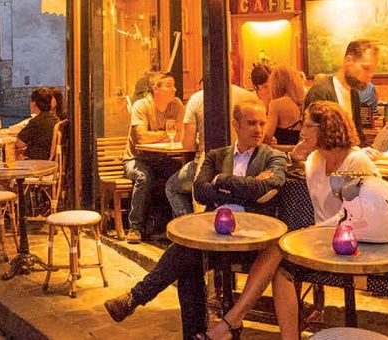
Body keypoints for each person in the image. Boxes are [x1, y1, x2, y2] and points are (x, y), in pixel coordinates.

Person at [104, 100, 287, 339]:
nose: (259, 129)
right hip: (213, 236)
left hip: (252, 242)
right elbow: (200, 190)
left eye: (262, 123)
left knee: (186, 258)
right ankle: (194, 334)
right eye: (251, 123)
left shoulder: (274, 157)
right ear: (236, 125)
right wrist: (249, 188)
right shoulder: (216, 155)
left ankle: (136, 298)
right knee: (187, 254)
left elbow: (270, 185)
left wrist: (223, 180)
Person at [198, 100, 379, 340]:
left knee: (279, 247)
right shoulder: (315, 162)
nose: (301, 132)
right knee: (281, 265)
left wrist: (310, 232)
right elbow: (280, 176)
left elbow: (357, 213)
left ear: (325, 128)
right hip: (322, 242)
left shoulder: (356, 162)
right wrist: (290, 159)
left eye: (306, 126)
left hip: (358, 242)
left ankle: (229, 323)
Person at [165, 77, 253, 218]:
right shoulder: (249, 97)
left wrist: (199, 141)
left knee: (171, 187)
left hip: (205, 165)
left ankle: (186, 228)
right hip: (245, 163)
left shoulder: (196, 99)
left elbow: (187, 144)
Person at [122, 72, 185, 243]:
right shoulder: (141, 106)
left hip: (161, 158)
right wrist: (166, 134)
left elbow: (180, 134)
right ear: (155, 89)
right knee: (143, 177)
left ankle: (175, 225)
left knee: (182, 174)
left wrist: (157, 135)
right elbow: (141, 139)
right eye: (169, 85)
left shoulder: (177, 105)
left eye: (174, 85)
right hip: (135, 159)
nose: (174, 89)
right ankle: (134, 228)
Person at [304, 39, 378, 145]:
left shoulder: (354, 94)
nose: (370, 75)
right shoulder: (320, 93)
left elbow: (357, 137)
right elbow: (315, 142)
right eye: (365, 68)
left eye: (372, 70)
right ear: (348, 61)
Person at [264, 65, 306, 145]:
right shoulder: (305, 101)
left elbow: (267, 137)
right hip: (304, 154)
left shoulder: (276, 104)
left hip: (284, 154)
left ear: (276, 83)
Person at [16, 87, 58, 160]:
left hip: (37, 162)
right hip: (49, 159)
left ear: (34, 103)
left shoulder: (36, 122)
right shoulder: (55, 119)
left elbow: (19, 143)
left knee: (13, 154)